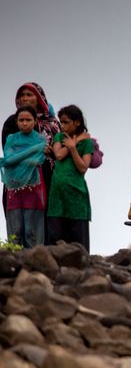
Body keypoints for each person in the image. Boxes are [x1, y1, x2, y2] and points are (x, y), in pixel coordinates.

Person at [3, 83, 60, 215]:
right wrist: (37, 149)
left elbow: (58, 152)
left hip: (48, 178)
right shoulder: (13, 122)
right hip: (19, 181)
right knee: (19, 228)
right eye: (21, 95)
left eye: (29, 95)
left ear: (39, 98)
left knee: (45, 226)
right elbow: (9, 151)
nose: (24, 98)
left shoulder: (53, 123)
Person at [46, 105, 94, 250]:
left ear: (77, 122)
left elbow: (82, 168)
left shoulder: (87, 143)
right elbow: (58, 155)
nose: (63, 126)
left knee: (78, 242)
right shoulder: (59, 137)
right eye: (61, 122)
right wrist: (76, 141)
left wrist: (73, 148)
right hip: (57, 196)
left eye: (66, 122)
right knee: (56, 239)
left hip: (76, 196)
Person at [0, 106, 47, 247]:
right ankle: (14, 263)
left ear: (35, 121)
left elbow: (36, 159)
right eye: (21, 120)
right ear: (16, 121)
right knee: (15, 229)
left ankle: (34, 262)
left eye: (28, 120)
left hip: (34, 188)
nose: (24, 123)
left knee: (32, 229)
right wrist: (30, 156)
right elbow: (8, 158)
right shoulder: (11, 139)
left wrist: (19, 159)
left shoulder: (40, 139)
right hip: (14, 188)